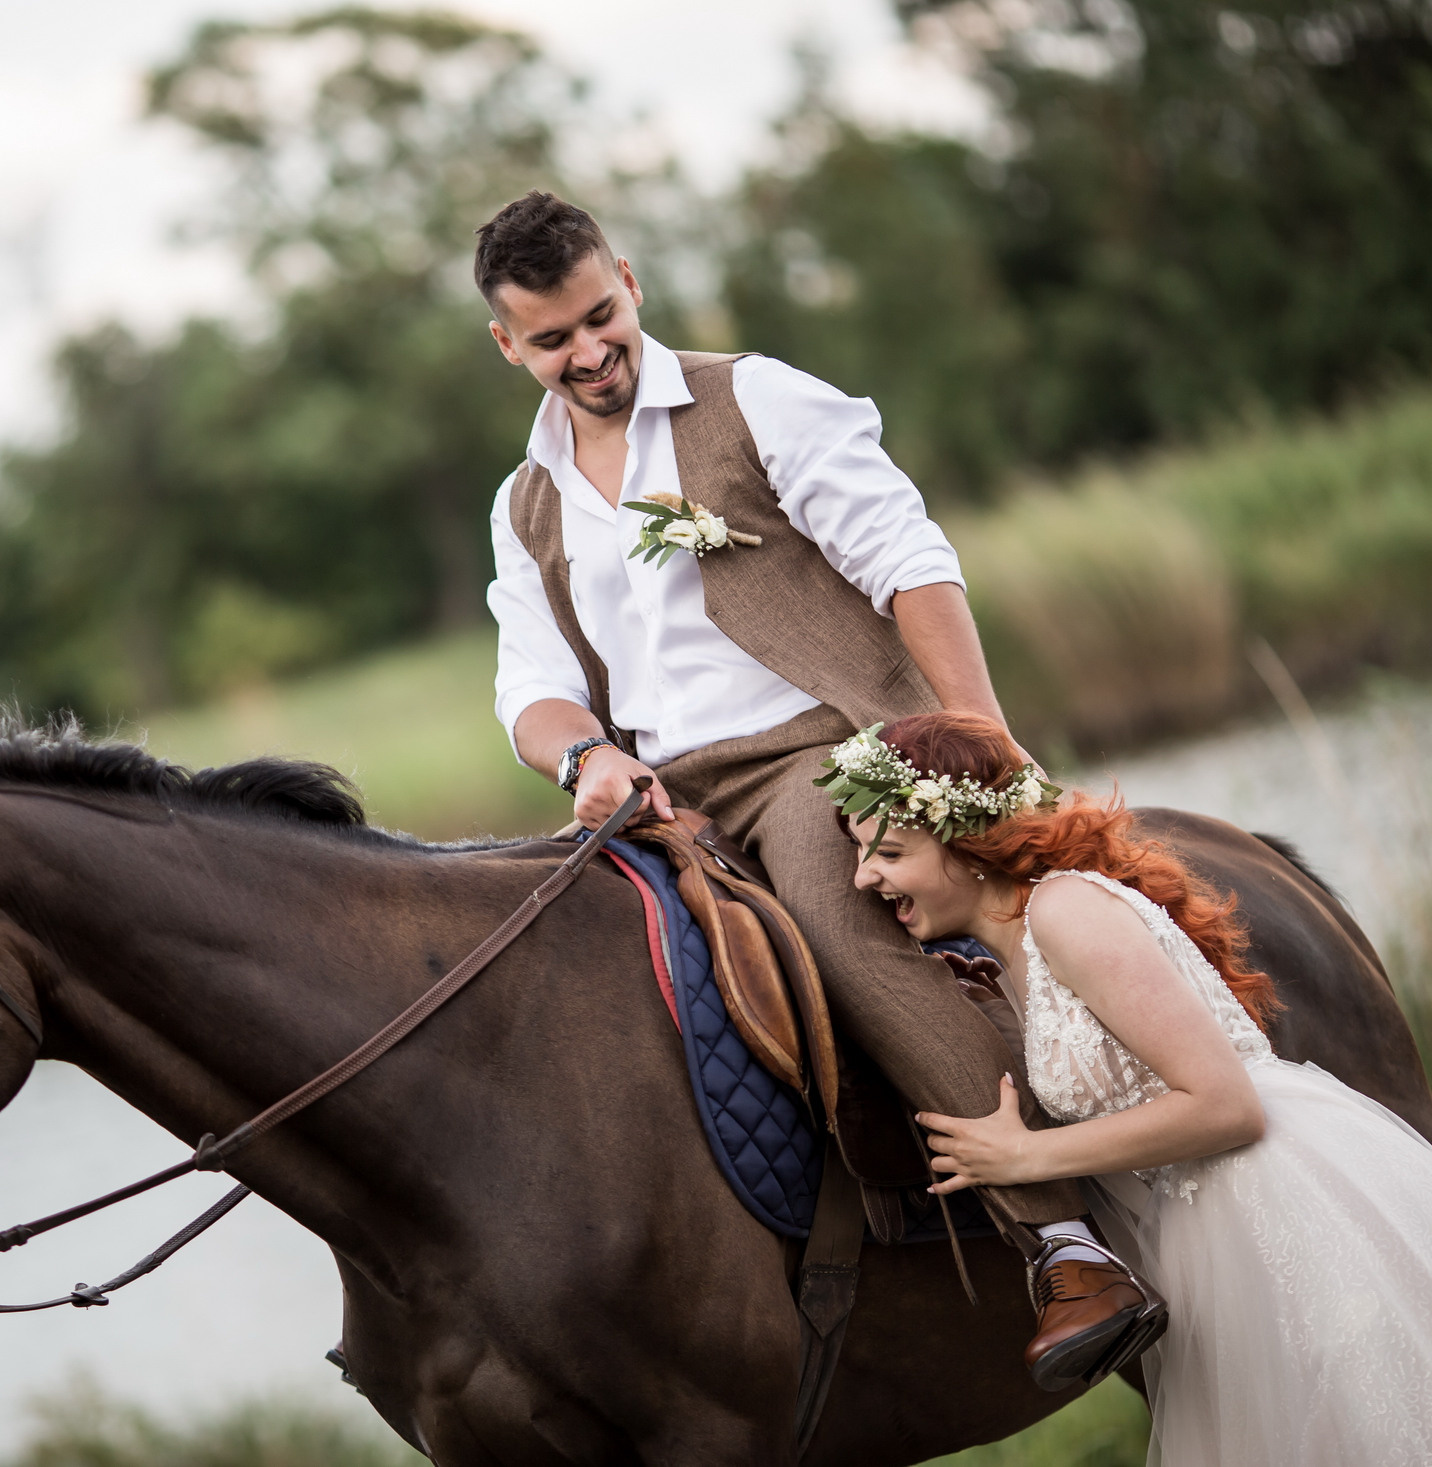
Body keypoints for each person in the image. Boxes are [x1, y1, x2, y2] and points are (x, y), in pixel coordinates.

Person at [475, 188, 1148, 1385]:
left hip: (815, 752)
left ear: (627, 279)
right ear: (506, 345)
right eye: (552, 339)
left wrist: (977, 741)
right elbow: (529, 687)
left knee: (838, 928)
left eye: (600, 318)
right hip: (657, 799)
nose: (586, 354)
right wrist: (585, 758)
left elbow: (906, 559)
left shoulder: (754, 397)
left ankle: (1064, 1237)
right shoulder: (523, 504)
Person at [832, 710, 1432, 1466]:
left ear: (967, 845)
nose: (863, 878)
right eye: (861, 854)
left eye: (888, 851)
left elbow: (1227, 1107)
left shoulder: (1065, 911)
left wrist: (1025, 1157)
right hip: (1205, 1227)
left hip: (1269, 1211)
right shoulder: (1013, 945)